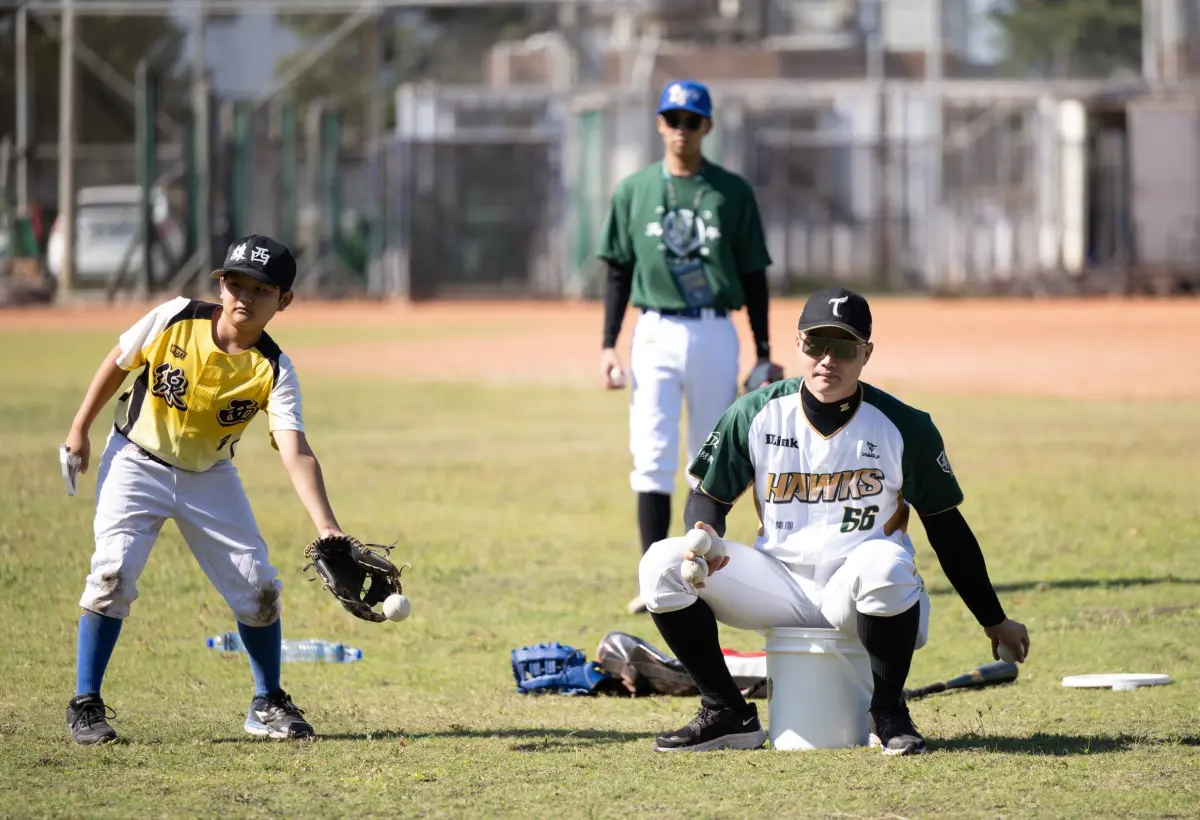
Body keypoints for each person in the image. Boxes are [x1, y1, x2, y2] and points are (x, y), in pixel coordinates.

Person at [637, 287, 1030, 755]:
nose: (828, 359)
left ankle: (887, 712)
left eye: (843, 347)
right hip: (778, 584)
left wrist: (994, 620)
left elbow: (948, 530)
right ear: (800, 344)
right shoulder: (757, 412)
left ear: (866, 353)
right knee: (659, 565)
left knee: (885, 565)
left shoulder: (905, 426)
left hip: (862, 590)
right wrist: (703, 532)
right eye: (815, 344)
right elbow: (708, 495)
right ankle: (727, 712)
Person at [62, 235, 345, 744]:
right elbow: (119, 362)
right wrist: (80, 428)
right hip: (135, 463)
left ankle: (267, 703)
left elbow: (294, 447)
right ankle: (85, 703)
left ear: (284, 300)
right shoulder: (176, 316)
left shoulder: (274, 368)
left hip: (210, 476)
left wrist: (327, 527)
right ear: (221, 285)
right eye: (234, 283)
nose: (243, 297)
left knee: (258, 588)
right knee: (111, 575)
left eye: (261, 289)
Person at [595, 79, 780, 615]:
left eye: (692, 120)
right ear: (659, 124)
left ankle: (698, 574)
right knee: (650, 457)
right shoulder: (634, 191)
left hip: (714, 329)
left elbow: (753, 275)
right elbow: (618, 270)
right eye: (673, 118)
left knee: (710, 458)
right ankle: (654, 575)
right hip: (653, 328)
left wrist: (763, 347)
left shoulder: (731, 191)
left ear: (708, 127)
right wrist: (608, 344)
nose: (681, 129)